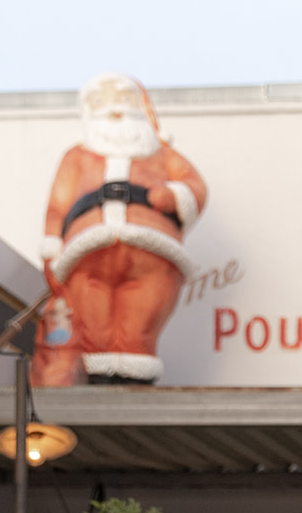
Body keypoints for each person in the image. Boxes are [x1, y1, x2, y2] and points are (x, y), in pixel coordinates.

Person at [34, 72, 207, 385]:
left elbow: (195, 186)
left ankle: (134, 382)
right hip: (85, 253)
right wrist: (51, 248)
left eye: (124, 99)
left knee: (139, 325)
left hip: (154, 250)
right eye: (101, 101)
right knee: (95, 326)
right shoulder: (76, 157)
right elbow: (57, 207)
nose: (115, 109)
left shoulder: (163, 154)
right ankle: (101, 381)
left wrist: (173, 195)